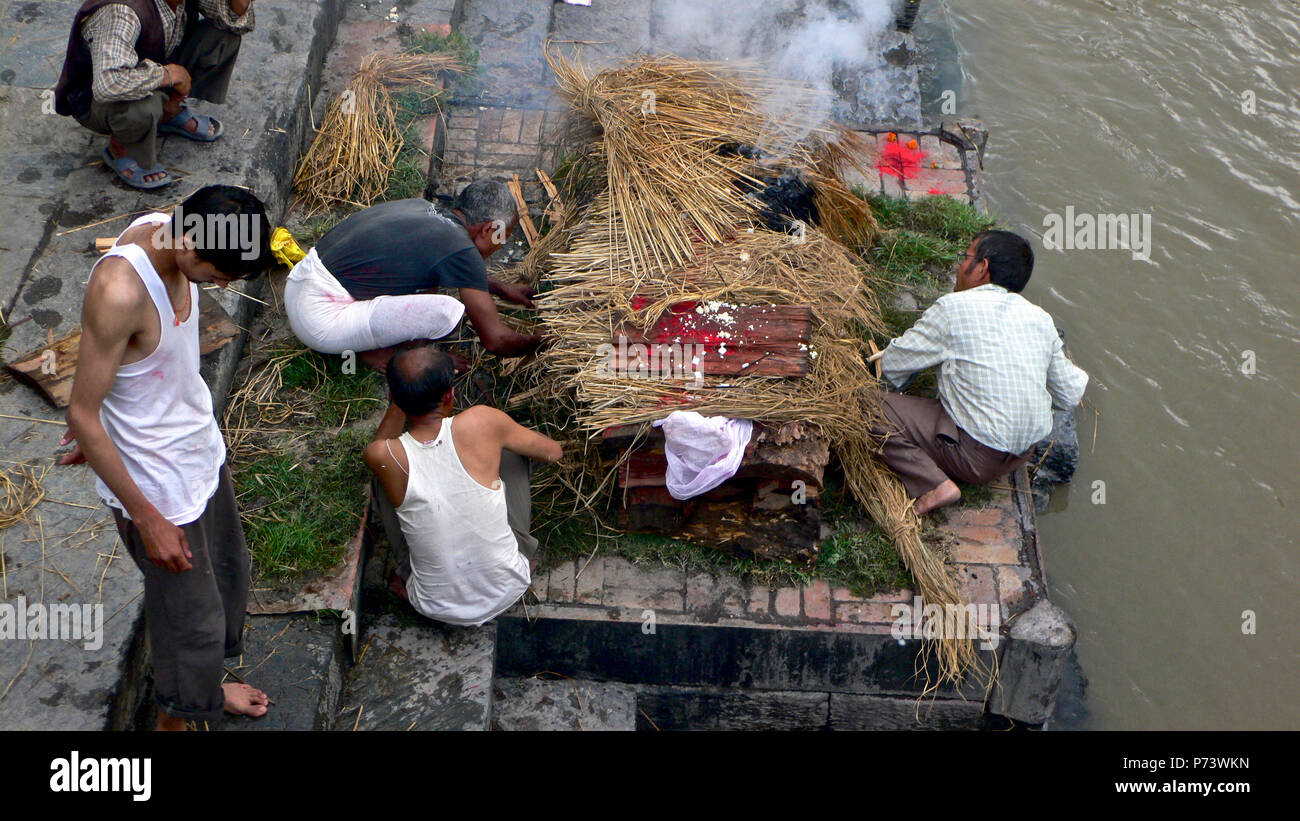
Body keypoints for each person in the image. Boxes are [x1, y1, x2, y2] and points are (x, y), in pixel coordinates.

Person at [60, 184, 274, 729]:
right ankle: (174, 719)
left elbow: (129, 377)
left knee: (228, 576)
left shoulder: (179, 225)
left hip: (198, 450)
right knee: (189, 622)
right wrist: (147, 518)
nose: (223, 285)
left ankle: (207, 687)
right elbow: (82, 413)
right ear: (188, 244)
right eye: (218, 274)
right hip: (155, 489)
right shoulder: (119, 291)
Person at [874, 229, 1089, 514]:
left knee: (868, 406)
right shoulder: (1040, 318)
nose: (960, 266)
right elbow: (1070, 394)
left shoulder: (953, 307)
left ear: (983, 268)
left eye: (966, 257)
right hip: (1019, 456)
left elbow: (892, 365)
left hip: (974, 457)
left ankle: (933, 485)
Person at [364, 341, 562, 626]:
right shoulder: (482, 422)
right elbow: (552, 452)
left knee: (384, 478)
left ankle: (404, 578)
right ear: (449, 395)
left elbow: (381, 443)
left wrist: (400, 402)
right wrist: (497, 442)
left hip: (434, 606)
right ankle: (523, 553)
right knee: (510, 451)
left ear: (393, 396)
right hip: (510, 585)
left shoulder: (383, 454)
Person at [284, 181, 543, 372]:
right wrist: (547, 341)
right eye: (501, 237)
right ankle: (401, 358)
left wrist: (498, 288)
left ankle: (364, 337)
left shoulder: (423, 208)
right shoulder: (463, 250)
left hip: (301, 283)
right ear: (489, 228)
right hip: (321, 319)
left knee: (426, 282)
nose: (500, 245)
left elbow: (449, 265)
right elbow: (495, 341)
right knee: (446, 311)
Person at [54, 0, 256, 189]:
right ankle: (121, 147)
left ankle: (168, 111)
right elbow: (109, 84)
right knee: (140, 109)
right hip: (98, 101)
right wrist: (169, 74)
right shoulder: (122, 12)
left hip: (154, 63)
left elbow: (234, 22)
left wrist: (239, 4)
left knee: (222, 37)